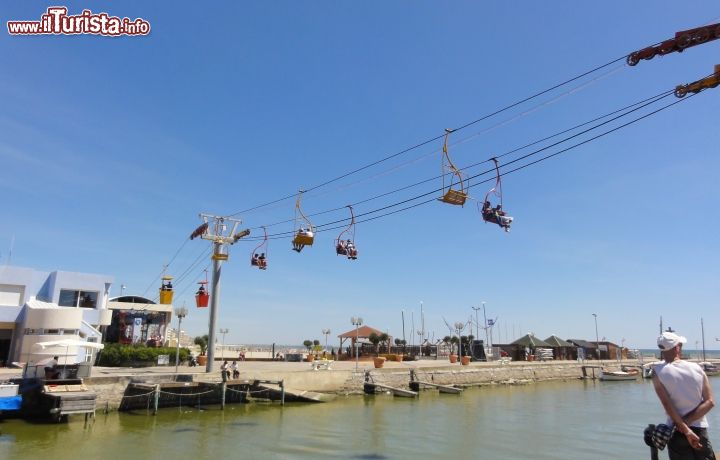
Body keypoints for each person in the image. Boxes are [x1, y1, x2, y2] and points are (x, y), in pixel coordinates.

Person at [653, 331, 715, 459]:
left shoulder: (657, 372)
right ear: (677, 348)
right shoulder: (697, 368)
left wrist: (685, 429)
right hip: (700, 429)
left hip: (676, 431)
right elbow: (710, 402)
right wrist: (688, 423)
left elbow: (667, 405)